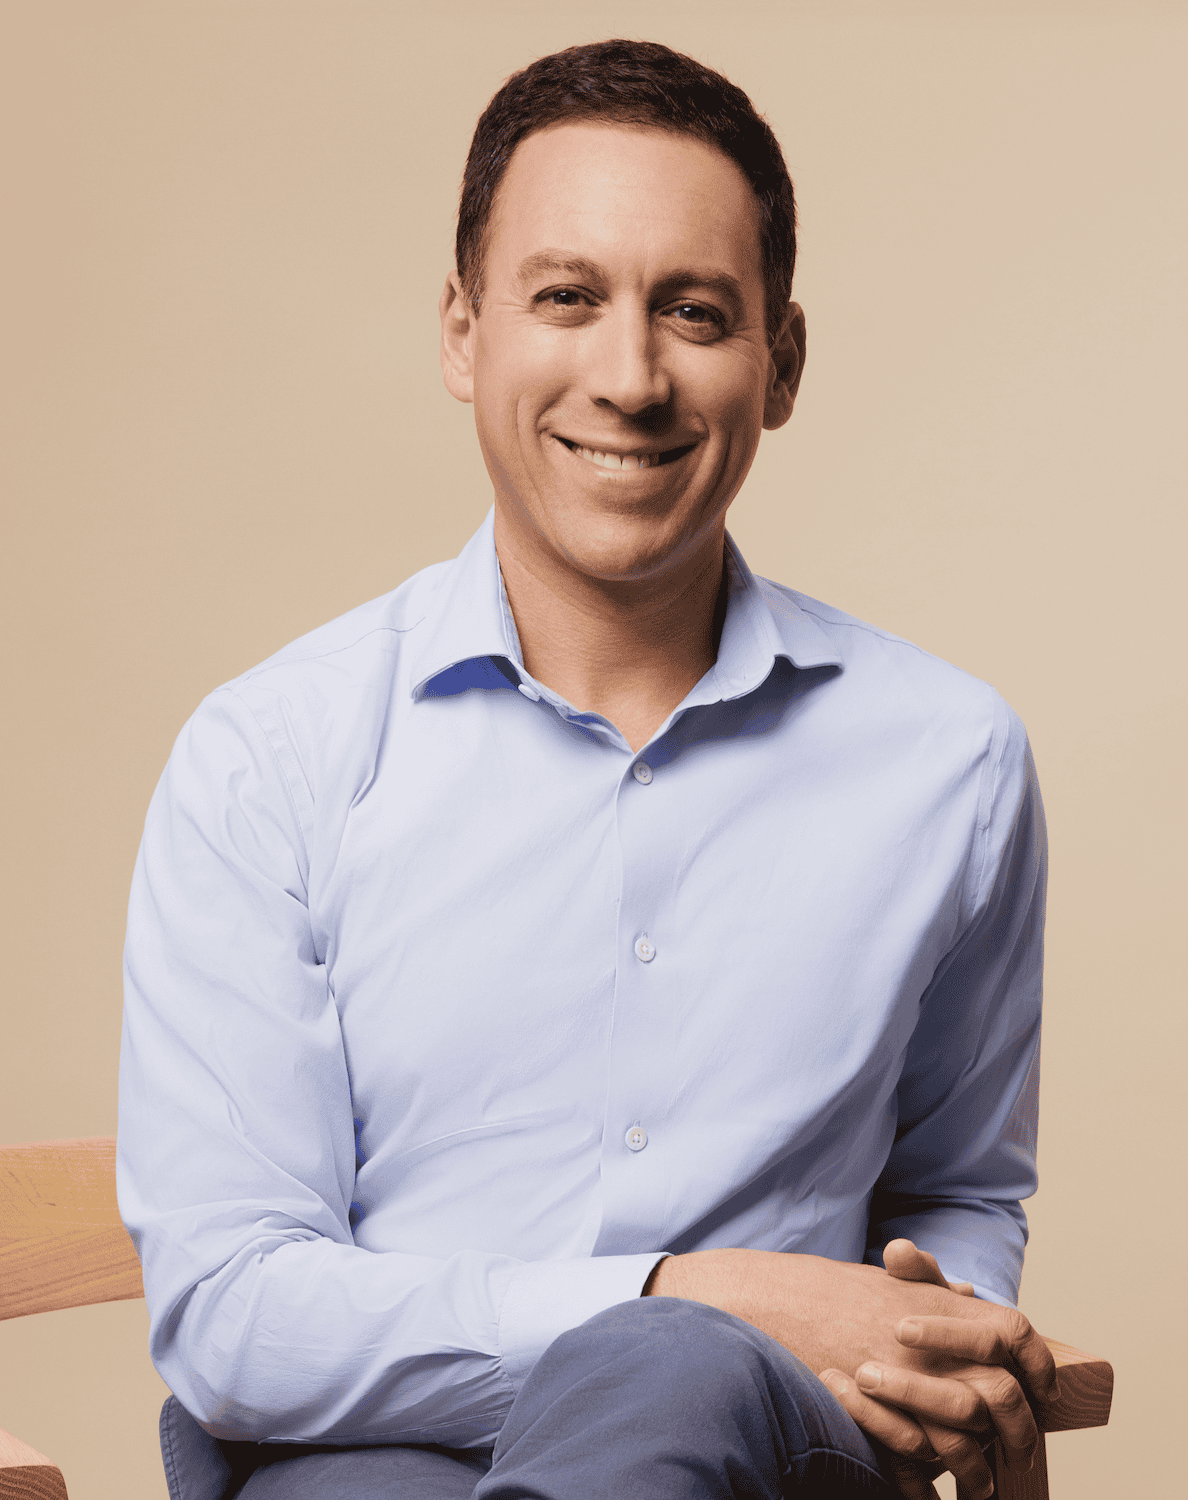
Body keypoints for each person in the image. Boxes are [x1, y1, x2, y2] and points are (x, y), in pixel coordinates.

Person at [119, 38, 1055, 1500]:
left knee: (675, 1370)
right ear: (462, 332)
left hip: (777, 1460)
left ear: (781, 364)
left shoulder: (952, 762)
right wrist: (686, 1292)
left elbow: (957, 1187)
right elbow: (235, 1312)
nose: (630, 378)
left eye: (694, 312)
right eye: (567, 298)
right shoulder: (268, 760)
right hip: (373, 1461)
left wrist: (927, 1329)